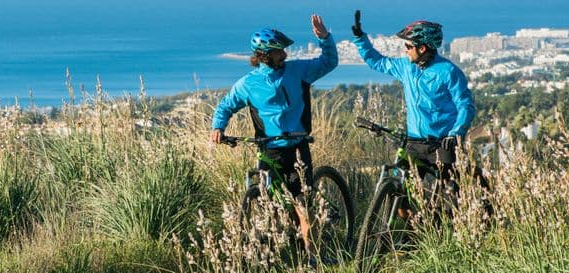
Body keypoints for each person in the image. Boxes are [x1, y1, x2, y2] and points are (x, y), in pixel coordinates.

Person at [210, 14, 337, 261]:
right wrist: (218, 127)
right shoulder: (248, 84)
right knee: (267, 199)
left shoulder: (298, 70)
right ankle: (265, 253)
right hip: (268, 150)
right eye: (279, 51)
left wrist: (324, 38)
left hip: (297, 147)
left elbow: (328, 62)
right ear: (265, 55)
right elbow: (226, 105)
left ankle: (311, 258)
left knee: (302, 206)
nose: (285, 55)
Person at [351, 11, 490, 219]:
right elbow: (377, 62)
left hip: (442, 143)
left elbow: (465, 105)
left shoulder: (448, 71)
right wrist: (360, 37)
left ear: (422, 48)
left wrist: (456, 133)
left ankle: (459, 223)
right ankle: (412, 233)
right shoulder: (406, 67)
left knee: (448, 197)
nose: (404, 50)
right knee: (400, 191)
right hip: (413, 143)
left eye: (408, 46)